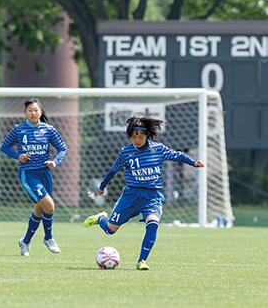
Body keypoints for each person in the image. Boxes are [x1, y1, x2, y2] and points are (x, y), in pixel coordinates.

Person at [84, 116, 205, 270]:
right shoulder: (126, 152)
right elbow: (114, 169)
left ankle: (142, 261)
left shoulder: (158, 149)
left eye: (140, 136)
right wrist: (102, 186)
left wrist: (193, 162)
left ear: (147, 135)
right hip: (131, 196)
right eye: (134, 137)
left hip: (152, 197)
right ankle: (101, 218)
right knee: (110, 230)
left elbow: (177, 155)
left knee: (153, 224)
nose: (137, 140)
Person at [1, 98, 67, 256]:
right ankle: (49, 238)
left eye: (36, 110)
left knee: (39, 211)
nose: (33, 113)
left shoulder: (48, 129)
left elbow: (62, 148)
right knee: (50, 206)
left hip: (45, 173)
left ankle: (25, 242)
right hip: (29, 174)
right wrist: (18, 156)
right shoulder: (18, 129)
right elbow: (4, 147)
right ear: (25, 113)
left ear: (41, 112)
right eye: (30, 110)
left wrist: (54, 162)